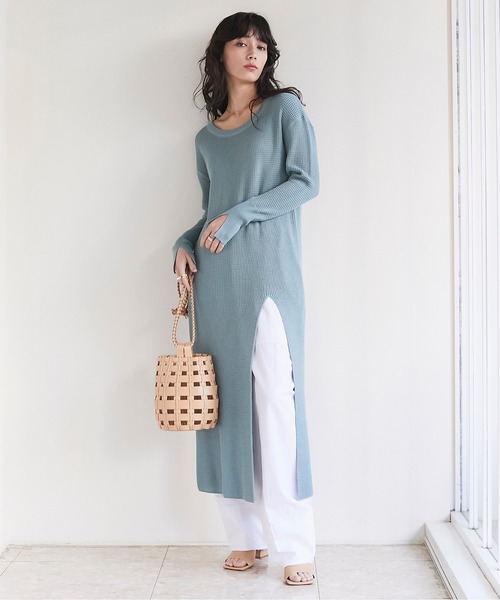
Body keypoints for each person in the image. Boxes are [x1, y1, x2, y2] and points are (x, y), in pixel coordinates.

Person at [172, 11, 320, 586]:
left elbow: (305, 182)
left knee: (278, 405)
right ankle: (245, 537)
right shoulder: (207, 138)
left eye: (261, 44)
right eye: (241, 43)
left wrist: (241, 215)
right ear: (222, 54)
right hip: (217, 285)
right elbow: (212, 212)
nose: (253, 52)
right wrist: (185, 243)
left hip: (269, 278)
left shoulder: (284, 112)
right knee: (226, 409)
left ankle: (296, 542)